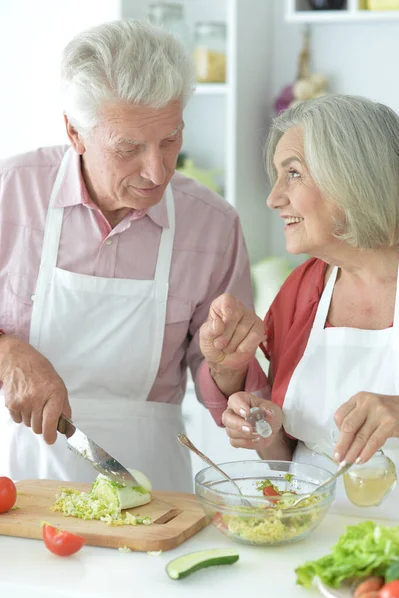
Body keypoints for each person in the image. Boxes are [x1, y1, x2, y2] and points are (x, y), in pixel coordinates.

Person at [0, 20, 254, 492]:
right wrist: (6, 353)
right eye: (129, 148)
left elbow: (219, 383)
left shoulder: (214, 226)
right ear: (75, 133)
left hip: (153, 489)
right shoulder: (9, 194)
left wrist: (226, 367)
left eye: (170, 140)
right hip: (16, 483)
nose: (156, 171)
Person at [200, 94, 399, 518]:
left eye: (293, 174)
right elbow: (290, 453)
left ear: (355, 178)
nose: (273, 199)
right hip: (312, 532)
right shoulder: (302, 290)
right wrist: (265, 429)